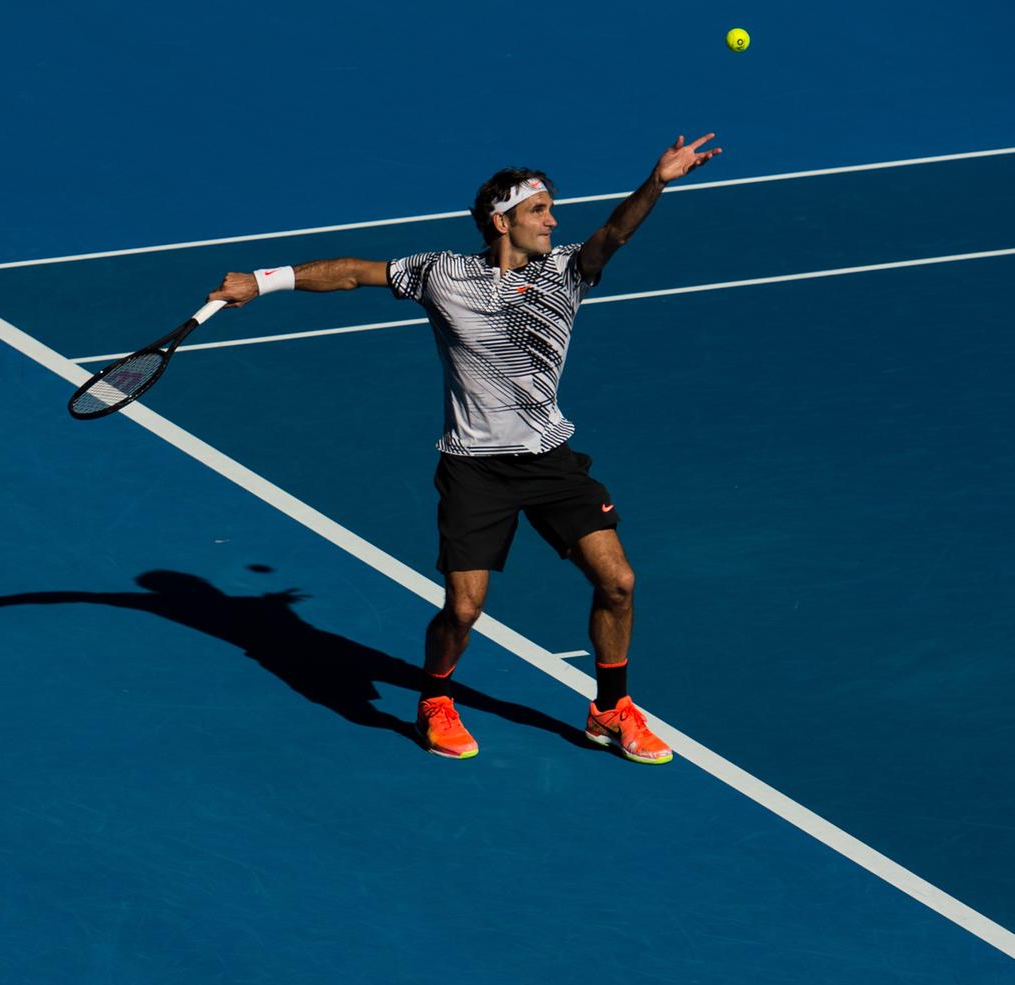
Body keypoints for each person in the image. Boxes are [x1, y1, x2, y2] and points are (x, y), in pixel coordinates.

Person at [208, 134, 721, 763]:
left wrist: (658, 179)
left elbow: (614, 233)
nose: (553, 221)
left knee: (618, 581)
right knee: (463, 609)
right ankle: (434, 698)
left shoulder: (567, 273)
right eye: (540, 211)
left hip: (550, 460)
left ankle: (611, 709)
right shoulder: (443, 274)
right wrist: (263, 282)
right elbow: (353, 274)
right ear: (502, 221)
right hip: (475, 471)